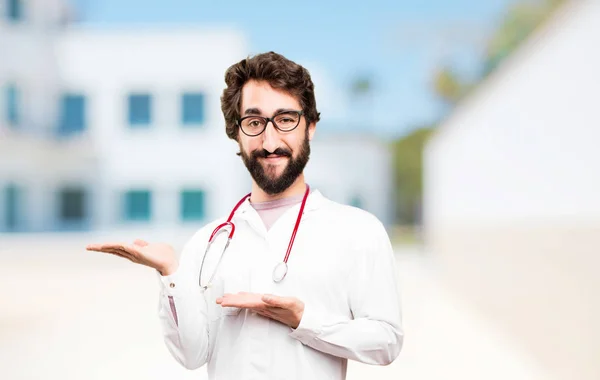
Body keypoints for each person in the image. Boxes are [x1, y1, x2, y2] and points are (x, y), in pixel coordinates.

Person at [87, 51, 403, 379]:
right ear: (236, 133)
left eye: (285, 120)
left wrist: (303, 320)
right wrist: (170, 272)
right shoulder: (208, 243)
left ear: (310, 127)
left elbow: (386, 342)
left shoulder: (358, 231)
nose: (269, 141)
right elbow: (192, 356)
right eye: (254, 122)